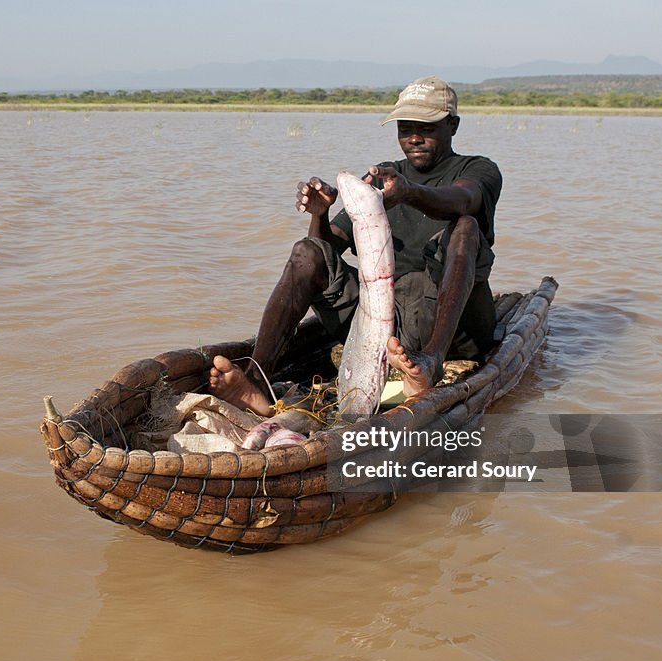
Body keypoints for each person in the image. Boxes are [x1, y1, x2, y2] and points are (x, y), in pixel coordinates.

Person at [210, 76, 503, 416]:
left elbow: (464, 198)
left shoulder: (479, 169)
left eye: (426, 128)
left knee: (466, 226)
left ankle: (432, 362)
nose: (413, 139)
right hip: (385, 321)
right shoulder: (383, 177)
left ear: (452, 125)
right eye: (404, 129)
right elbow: (326, 252)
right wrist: (321, 214)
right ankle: (257, 380)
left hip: (448, 321)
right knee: (307, 251)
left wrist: (409, 193)